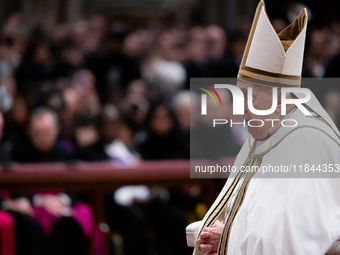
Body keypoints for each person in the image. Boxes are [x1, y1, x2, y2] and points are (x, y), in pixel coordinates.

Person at [187, 1, 340, 254]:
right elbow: (252, 214)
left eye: (251, 98)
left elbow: (291, 242)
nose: (241, 108)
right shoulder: (265, 133)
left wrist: (228, 238)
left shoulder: (308, 142)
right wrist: (222, 233)